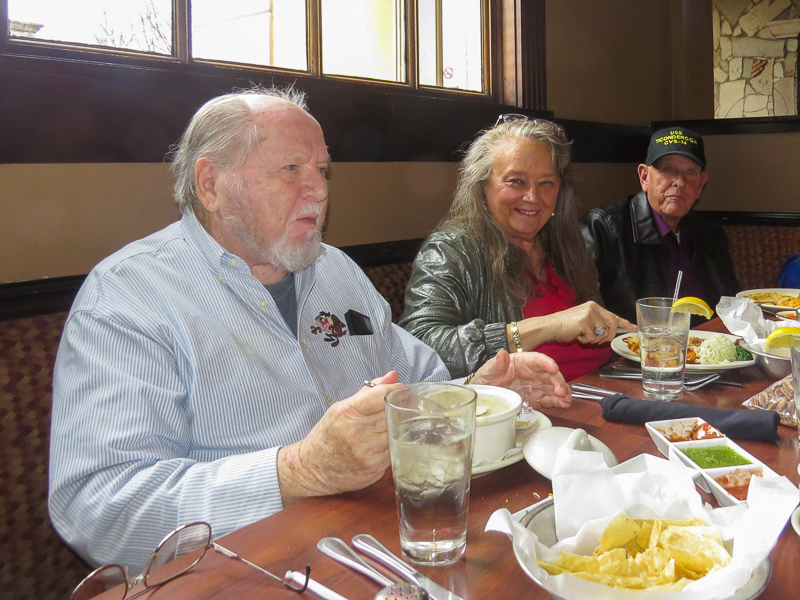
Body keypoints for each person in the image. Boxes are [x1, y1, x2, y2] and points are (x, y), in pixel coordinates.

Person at [48, 89, 571, 573]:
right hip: (240, 569)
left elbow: (417, 386)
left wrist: (480, 391)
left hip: (379, 544)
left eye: (322, 169)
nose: (319, 190)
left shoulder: (336, 271)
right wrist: (296, 471)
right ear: (211, 184)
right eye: (291, 169)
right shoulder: (128, 298)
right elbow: (96, 508)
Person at [399, 116, 633, 382]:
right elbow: (418, 349)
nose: (533, 196)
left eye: (546, 182)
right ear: (482, 186)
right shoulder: (449, 251)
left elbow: (600, 335)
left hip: (609, 390)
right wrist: (546, 326)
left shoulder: (569, 246)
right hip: (529, 414)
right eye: (516, 181)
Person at [580, 126, 740, 323]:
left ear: (701, 184)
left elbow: (732, 307)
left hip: (708, 347)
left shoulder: (711, 234)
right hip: (634, 347)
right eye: (668, 169)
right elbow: (584, 310)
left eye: (690, 172)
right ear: (644, 177)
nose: (679, 182)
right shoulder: (602, 228)